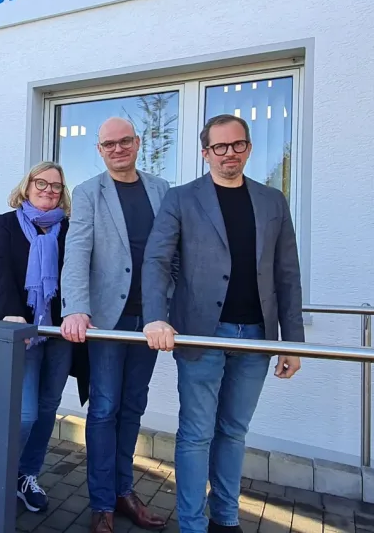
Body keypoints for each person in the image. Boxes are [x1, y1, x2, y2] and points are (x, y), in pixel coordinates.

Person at [142, 114, 304, 533]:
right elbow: (157, 261)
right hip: (200, 333)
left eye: (237, 145)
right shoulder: (180, 199)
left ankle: (226, 520)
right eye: (219, 147)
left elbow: (287, 273)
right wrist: (155, 317)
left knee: (234, 431)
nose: (228, 153)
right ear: (205, 152)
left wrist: (293, 342)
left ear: (248, 148)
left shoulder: (273, 201)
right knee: (196, 434)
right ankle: (193, 525)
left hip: (256, 336)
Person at [60, 117, 171, 533]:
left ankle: (125, 491)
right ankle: (102, 503)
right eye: (109, 144)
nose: (118, 148)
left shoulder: (162, 189)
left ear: (138, 143)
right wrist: (76, 308)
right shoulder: (89, 192)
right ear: (100, 149)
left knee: (133, 406)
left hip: (151, 319)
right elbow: (77, 252)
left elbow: (173, 251)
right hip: (107, 320)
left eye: (125, 141)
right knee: (104, 408)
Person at [0, 161, 80, 514]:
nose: (48, 190)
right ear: (27, 186)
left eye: (56, 186)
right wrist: (14, 312)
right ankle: (2, 471)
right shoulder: (7, 224)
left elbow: (78, 274)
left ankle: (28, 476)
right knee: (25, 413)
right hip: (25, 330)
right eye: (41, 183)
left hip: (61, 332)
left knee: (47, 410)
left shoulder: (70, 227)